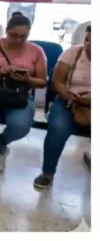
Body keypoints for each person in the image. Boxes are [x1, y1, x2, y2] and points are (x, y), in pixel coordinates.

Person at [0, 14, 47, 172]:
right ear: (6, 31)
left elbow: (42, 81)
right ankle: (0, 150)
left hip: (20, 95)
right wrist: (0, 72)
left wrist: (27, 79)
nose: (18, 40)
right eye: (14, 35)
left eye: (23, 36)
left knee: (20, 126)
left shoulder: (36, 51)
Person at [34, 26, 91, 189]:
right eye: (87, 40)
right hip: (68, 100)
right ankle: (47, 173)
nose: (88, 45)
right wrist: (71, 98)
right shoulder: (73, 53)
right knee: (58, 128)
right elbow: (56, 82)